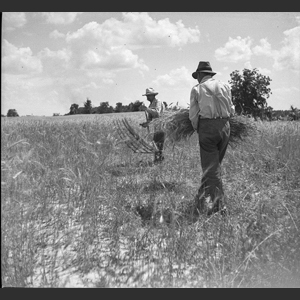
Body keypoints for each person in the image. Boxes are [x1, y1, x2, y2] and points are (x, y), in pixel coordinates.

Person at [189, 61, 235, 216]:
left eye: (197, 76)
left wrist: (198, 129)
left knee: (211, 169)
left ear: (200, 75)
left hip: (207, 128)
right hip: (225, 127)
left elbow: (193, 115)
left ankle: (220, 207)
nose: (196, 79)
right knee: (213, 167)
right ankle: (200, 197)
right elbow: (232, 109)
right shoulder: (226, 86)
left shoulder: (197, 89)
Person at [140, 88, 165, 163]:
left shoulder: (158, 102)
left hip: (161, 126)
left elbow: (157, 113)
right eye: (147, 96)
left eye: (149, 95)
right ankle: (158, 160)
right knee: (156, 144)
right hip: (156, 128)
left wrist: (147, 109)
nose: (147, 97)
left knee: (159, 144)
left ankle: (159, 160)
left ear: (153, 95)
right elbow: (150, 118)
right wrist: (146, 123)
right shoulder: (151, 104)